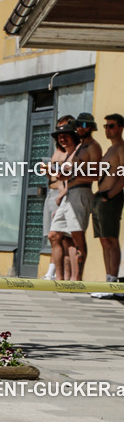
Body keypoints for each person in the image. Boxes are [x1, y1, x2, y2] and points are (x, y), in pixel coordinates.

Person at [48, 119, 100, 280]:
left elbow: (96, 174)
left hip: (80, 193)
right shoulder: (71, 153)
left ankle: (76, 280)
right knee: (54, 235)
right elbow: (66, 176)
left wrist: (71, 176)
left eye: (66, 135)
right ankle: (59, 279)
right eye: (59, 136)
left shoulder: (88, 147)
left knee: (76, 236)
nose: (62, 139)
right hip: (69, 195)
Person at [90, 112, 124, 299]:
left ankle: (114, 285)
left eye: (111, 126)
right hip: (100, 197)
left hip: (110, 198)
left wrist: (109, 196)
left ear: (120, 128)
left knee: (111, 239)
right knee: (104, 240)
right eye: (106, 126)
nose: (107, 129)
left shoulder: (121, 148)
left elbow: (122, 177)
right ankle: (108, 280)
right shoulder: (109, 150)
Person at [38, 115, 74, 279]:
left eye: (64, 128)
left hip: (60, 195)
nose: (61, 135)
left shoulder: (70, 152)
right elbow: (53, 176)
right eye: (59, 128)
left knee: (58, 236)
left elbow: (68, 176)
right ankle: (54, 272)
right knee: (53, 236)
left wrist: (62, 196)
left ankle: (54, 273)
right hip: (51, 193)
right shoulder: (57, 151)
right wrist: (47, 172)